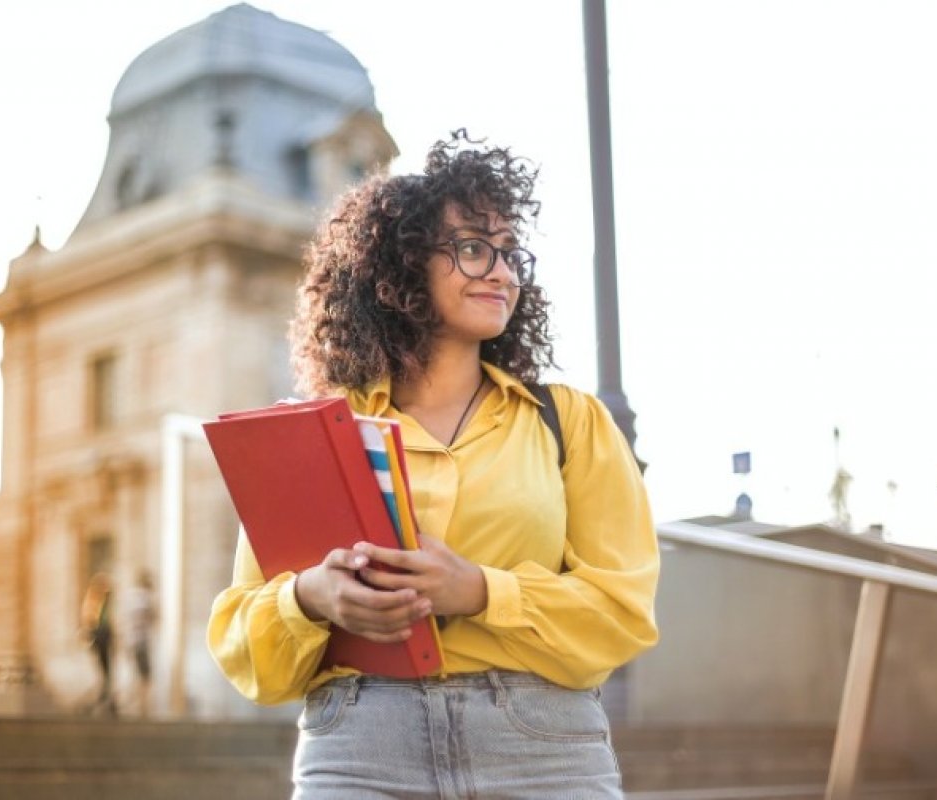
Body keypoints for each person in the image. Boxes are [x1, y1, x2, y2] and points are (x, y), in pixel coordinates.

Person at [207, 131, 660, 798]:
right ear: (401, 266)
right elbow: (247, 648)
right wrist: (311, 598)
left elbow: (623, 613)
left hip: (543, 749)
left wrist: (479, 590)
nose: (502, 272)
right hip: (359, 747)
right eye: (474, 248)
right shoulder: (317, 438)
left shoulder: (570, 421)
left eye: (510, 253)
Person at [80, 572, 116, 716]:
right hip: (99, 637)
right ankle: (103, 697)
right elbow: (90, 621)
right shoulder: (93, 601)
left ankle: (105, 696)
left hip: (104, 637)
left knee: (106, 670)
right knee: (104, 669)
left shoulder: (103, 603)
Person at [125, 568, 157, 716]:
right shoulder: (142, 598)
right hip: (140, 641)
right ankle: (142, 708)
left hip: (132, 640)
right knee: (144, 676)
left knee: (138, 674)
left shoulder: (130, 597)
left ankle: (139, 706)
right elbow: (149, 616)